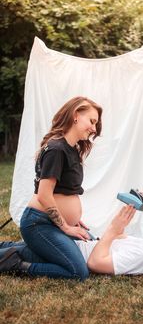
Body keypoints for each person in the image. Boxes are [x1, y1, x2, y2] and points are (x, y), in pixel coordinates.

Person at [16, 96, 103, 280]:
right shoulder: (57, 149)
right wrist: (65, 227)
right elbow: (44, 195)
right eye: (92, 121)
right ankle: (14, 262)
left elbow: (64, 191)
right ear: (76, 115)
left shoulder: (71, 149)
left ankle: (14, 250)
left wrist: (73, 220)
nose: (94, 129)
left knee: (93, 245)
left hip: (54, 222)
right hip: (39, 223)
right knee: (78, 271)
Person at [0, 206, 143, 276]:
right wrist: (121, 222)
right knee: (16, 247)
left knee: (19, 252)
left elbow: (96, 263)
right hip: (77, 244)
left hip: (68, 254)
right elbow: (117, 239)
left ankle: (14, 263)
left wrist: (113, 231)